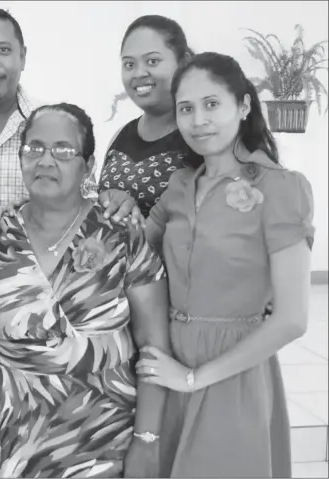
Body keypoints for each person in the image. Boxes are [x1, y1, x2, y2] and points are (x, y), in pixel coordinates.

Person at [136, 52, 313, 478]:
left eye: (212, 104)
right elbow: (136, 248)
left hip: (233, 372)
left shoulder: (280, 188)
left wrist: (195, 378)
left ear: (244, 106)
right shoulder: (180, 185)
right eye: (186, 108)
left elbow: (292, 319)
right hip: (167, 364)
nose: (199, 120)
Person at [0, 103, 171, 478]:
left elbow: (155, 347)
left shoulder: (121, 235)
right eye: (34, 148)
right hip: (11, 449)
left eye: (63, 150)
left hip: (102, 448)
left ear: (87, 165)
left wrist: (148, 440)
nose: (46, 160)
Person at [0, 6, 137, 225]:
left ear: (23, 57)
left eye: (4, 50)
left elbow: (88, 201)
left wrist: (112, 199)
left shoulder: (58, 125)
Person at [82, 15, 199, 220]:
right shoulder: (121, 135)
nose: (139, 73)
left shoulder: (204, 133)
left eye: (152, 61)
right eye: (129, 64)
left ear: (185, 62)